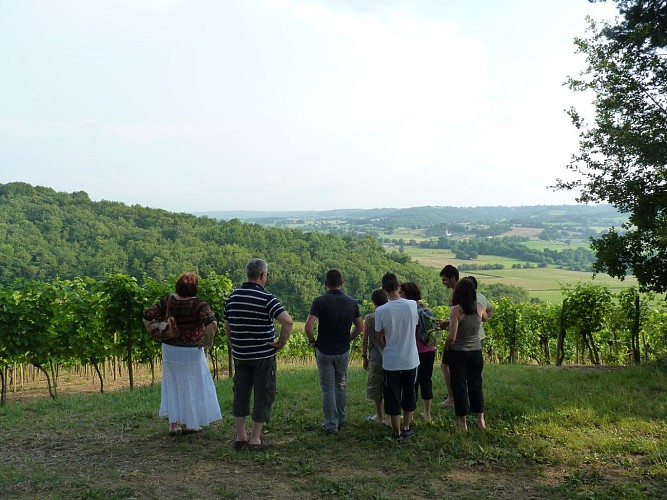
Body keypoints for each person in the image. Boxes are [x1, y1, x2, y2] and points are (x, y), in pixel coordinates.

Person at [224, 258, 293, 451]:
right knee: (263, 393)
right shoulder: (266, 298)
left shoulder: (233, 296)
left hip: (240, 355)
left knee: (240, 392)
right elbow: (287, 322)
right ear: (263, 275)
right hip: (262, 355)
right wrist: (279, 343)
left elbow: (227, 325)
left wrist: (234, 343)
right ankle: (255, 439)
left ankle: (240, 436)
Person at [142, 272, 221, 437]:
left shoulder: (167, 301)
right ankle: (189, 424)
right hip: (192, 351)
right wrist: (207, 342)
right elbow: (212, 324)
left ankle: (173, 424)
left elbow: (146, 315)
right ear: (195, 287)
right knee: (190, 385)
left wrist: (152, 331)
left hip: (170, 349)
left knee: (173, 383)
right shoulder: (199, 304)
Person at [305, 269, 363, 434]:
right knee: (341, 386)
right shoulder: (351, 302)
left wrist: (312, 342)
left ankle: (331, 424)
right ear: (342, 283)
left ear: (325, 284)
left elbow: (308, 326)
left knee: (328, 389)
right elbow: (360, 326)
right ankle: (341, 418)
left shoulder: (319, 301)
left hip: (324, 350)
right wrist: (348, 339)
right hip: (342, 350)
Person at [374, 272, 419, 439]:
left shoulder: (381, 310)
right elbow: (414, 325)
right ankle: (407, 426)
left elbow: (379, 334)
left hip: (391, 360)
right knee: (409, 393)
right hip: (410, 358)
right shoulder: (411, 305)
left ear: (384, 290)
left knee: (392, 395)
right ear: (398, 287)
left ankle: (396, 431)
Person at [445, 277, 488, 431]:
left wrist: (447, 347)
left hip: (459, 352)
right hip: (476, 351)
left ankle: (463, 423)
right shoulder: (480, 306)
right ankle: (480, 420)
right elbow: (486, 318)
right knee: (476, 385)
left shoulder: (456, 310)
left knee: (460, 386)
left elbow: (452, 336)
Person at [400, 281, 436, 420]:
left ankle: (411, 414)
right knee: (427, 380)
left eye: (401, 293)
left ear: (406, 294)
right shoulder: (424, 307)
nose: (399, 295)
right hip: (430, 348)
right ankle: (427, 412)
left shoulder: (409, 309)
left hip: (416, 351)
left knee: (413, 382)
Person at [361, 288, 389, 426]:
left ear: (373, 302)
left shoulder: (369, 318)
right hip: (391, 355)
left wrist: (364, 356)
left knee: (377, 387)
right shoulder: (390, 315)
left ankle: (379, 415)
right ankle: (391, 415)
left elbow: (365, 339)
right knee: (390, 386)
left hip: (376, 357)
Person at [438, 264, 459, 407]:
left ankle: (451, 398)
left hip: (456, 338)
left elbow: (459, 315)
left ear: (453, 278)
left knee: (445, 366)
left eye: (445, 280)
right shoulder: (461, 292)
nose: (443, 283)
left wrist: (448, 323)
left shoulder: (459, 294)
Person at [463, 276, 495, 349]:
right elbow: (491, 309)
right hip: (480, 335)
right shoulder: (482, 297)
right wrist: (481, 321)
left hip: (467, 338)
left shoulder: (465, 299)